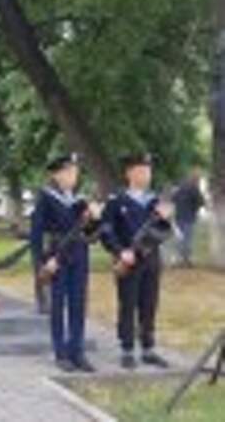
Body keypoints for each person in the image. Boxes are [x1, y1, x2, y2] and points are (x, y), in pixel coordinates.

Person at [100, 154, 172, 370]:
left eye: (148, 171)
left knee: (149, 304)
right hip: (128, 261)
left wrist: (165, 219)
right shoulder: (116, 201)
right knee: (128, 305)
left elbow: (163, 233)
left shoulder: (155, 201)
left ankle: (148, 348)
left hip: (151, 260)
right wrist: (119, 251)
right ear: (129, 174)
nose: (146, 175)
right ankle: (127, 349)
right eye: (141, 171)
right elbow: (106, 231)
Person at [30, 154, 98, 373]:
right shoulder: (46, 198)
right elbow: (36, 234)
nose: (73, 176)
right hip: (57, 256)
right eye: (68, 172)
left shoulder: (80, 201)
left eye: (75, 172)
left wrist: (94, 218)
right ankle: (60, 353)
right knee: (58, 305)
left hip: (79, 255)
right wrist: (43, 261)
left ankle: (77, 351)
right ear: (56, 175)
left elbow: (91, 233)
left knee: (78, 304)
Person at [172, 167, 205, 267]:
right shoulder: (194, 188)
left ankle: (178, 259)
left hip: (178, 216)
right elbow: (201, 202)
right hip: (188, 217)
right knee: (187, 238)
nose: (199, 180)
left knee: (180, 238)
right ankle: (186, 260)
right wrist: (196, 208)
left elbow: (173, 198)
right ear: (196, 178)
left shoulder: (180, 187)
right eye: (198, 178)